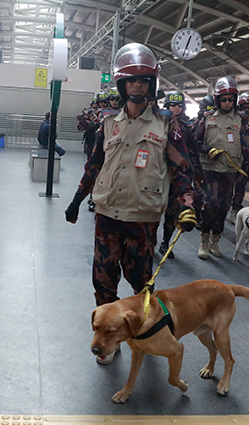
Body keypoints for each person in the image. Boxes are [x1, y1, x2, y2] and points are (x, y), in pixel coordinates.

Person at [64, 43, 196, 365]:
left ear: (152, 84)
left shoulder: (166, 124)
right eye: (131, 80)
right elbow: (95, 165)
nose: (137, 86)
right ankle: (110, 339)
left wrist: (187, 204)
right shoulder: (109, 122)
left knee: (141, 282)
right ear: (122, 85)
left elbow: (181, 169)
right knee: (103, 279)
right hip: (108, 213)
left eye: (143, 80)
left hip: (143, 216)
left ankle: (142, 331)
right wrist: (77, 198)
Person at [194, 77, 249, 260]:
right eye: (223, 99)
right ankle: (204, 241)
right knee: (210, 205)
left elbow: (247, 146)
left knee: (223, 207)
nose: (227, 103)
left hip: (230, 171)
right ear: (217, 99)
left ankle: (215, 241)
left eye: (230, 99)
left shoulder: (242, 121)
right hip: (210, 170)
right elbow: (195, 143)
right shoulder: (207, 118)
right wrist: (206, 150)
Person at [158, 90, 199, 259]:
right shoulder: (160, 122)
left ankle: (165, 243)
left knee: (171, 212)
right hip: (160, 172)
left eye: (179, 105)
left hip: (178, 176)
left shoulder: (187, 127)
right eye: (172, 104)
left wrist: (196, 173)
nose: (176, 108)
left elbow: (192, 151)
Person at [228, 91, 249, 223]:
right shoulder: (233, 120)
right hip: (231, 160)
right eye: (244, 107)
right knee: (228, 187)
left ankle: (235, 211)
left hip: (245, 162)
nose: (247, 110)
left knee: (240, 188)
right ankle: (225, 208)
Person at [76, 92, 107, 212]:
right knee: (93, 172)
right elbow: (80, 126)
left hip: (106, 146)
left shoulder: (111, 114)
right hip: (92, 145)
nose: (103, 104)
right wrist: (95, 124)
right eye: (100, 102)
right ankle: (93, 197)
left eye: (105, 102)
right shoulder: (91, 113)